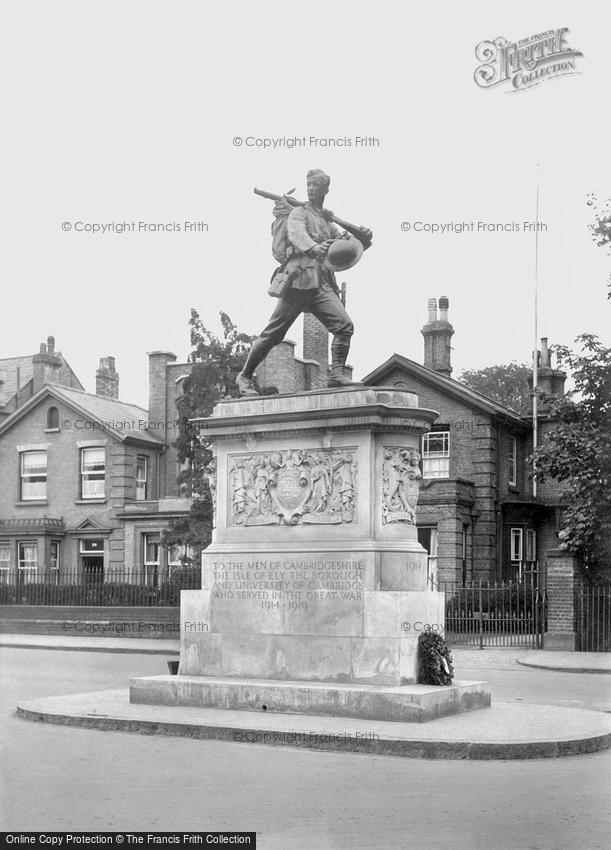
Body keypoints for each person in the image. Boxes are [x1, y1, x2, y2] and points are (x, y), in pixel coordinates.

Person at [236, 169, 373, 396]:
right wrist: (314, 247)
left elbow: (344, 247)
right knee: (274, 333)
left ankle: (336, 374)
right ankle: (245, 376)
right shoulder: (298, 213)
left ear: (325, 189)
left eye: (316, 185)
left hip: (322, 282)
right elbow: (296, 233)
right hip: (298, 279)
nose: (310, 188)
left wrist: (361, 239)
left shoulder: (326, 221)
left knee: (344, 326)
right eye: (308, 184)